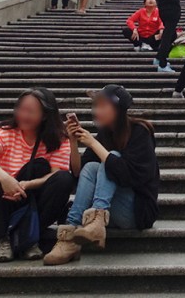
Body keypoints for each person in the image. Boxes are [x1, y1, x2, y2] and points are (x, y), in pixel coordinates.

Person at [44, 85, 159, 265]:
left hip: (136, 212)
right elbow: (78, 174)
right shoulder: (105, 134)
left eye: (103, 106)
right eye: (95, 106)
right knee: (91, 166)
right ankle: (70, 236)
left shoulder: (140, 132)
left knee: (112, 159)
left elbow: (129, 175)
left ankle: (97, 221)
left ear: (118, 110)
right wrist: (73, 142)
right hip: (110, 211)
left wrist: (94, 145)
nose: (96, 111)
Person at [0, 88, 75, 263]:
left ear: (44, 116)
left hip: (34, 203)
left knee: (61, 178)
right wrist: (6, 180)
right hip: (5, 203)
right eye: (20, 109)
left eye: (30, 111)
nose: (23, 115)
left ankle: (29, 237)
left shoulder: (58, 139)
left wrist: (28, 184)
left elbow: (57, 174)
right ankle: (5, 237)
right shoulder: (6, 132)